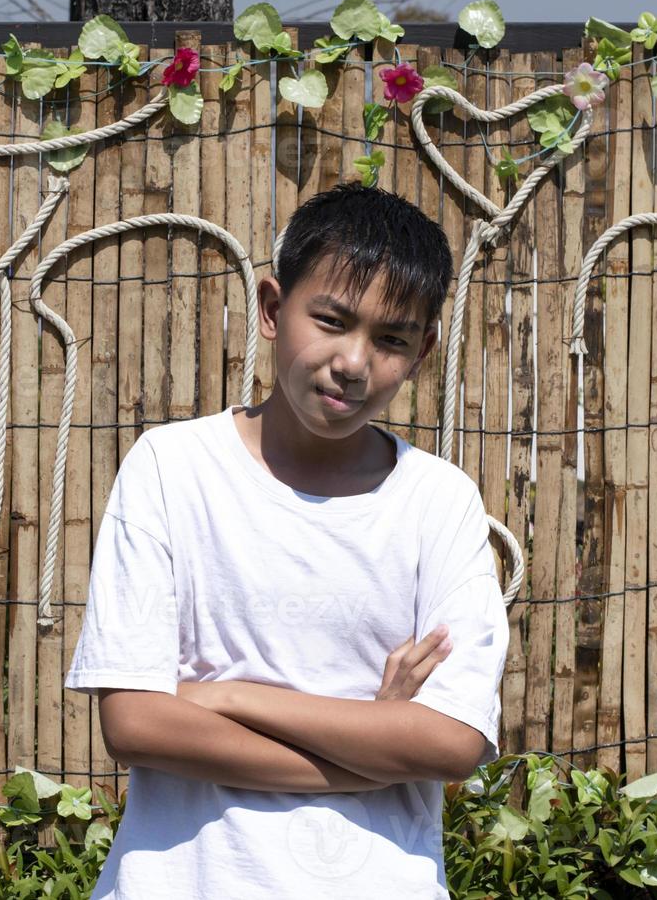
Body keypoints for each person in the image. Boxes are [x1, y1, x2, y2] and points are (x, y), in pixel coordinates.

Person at [63, 180, 511, 898]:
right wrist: (374, 741)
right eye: (331, 320)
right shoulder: (174, 467)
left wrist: (232, 696)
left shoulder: (438, 502)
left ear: (423, 351)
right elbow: (137, 722)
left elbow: (452, 742)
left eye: (391, 340)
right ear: (273, 310)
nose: (355, 363)